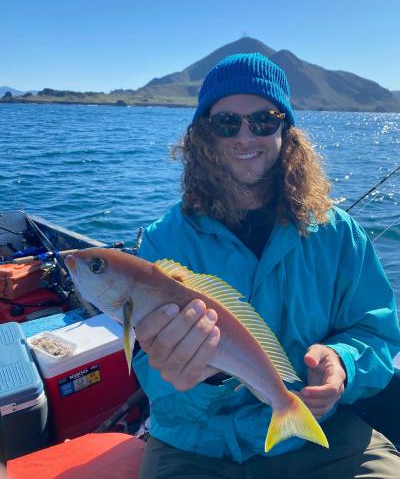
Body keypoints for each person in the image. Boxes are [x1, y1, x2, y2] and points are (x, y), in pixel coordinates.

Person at [132, 53, 400, 479]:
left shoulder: (338, 233)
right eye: (226, 123)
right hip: (197, 443)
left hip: (315, 431)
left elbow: (377, 329)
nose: (245, 136)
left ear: (285, 131)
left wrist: (343, 362)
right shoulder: (164, 241)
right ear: (204, 135)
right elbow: (150, 374)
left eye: (263, 120)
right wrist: (200, 379)